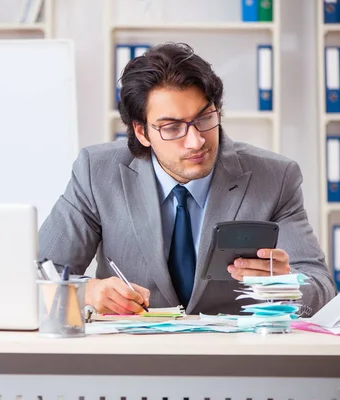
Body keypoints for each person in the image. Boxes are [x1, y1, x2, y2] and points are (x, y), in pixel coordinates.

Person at [38, 42, 336, 316]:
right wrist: (87, 291)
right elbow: (39, 274)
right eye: (171, 127)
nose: (196, 142)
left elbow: (322, 287)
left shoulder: (274, 177)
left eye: (205, 119)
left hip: (238, 359)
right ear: (141, 132)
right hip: (134, 357)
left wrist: (287, 284)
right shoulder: (97, 172)